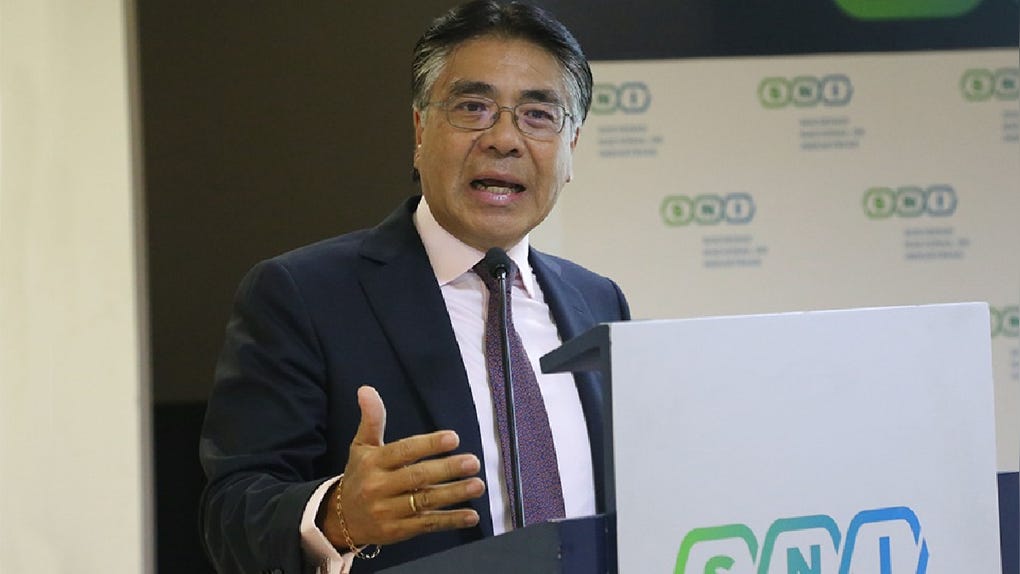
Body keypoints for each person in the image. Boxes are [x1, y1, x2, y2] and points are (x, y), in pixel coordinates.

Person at [199, 1, 630, 572]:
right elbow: (230, 512)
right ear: (421, 129)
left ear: (570, 148)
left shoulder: (599, 300)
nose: (504, 139)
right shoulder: (302, 294)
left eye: (538, 115)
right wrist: (337, 515)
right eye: (473, 108)